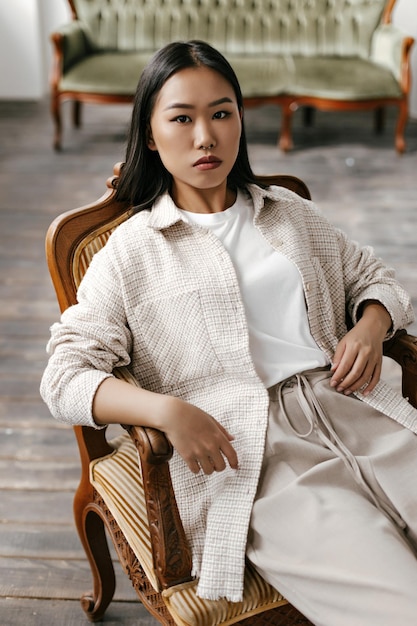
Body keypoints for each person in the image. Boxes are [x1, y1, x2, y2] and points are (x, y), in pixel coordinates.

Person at [40, 40, 417, 625]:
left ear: (241, 118)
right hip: (254, 455)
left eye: (221, 113)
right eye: (182, 118)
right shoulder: (132, 252)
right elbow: (65, 377)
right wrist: (167, 411)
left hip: (359, 411)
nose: (205, 137)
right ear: (148, 134)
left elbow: (374, 276)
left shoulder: (288, 212)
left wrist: (371, 323)